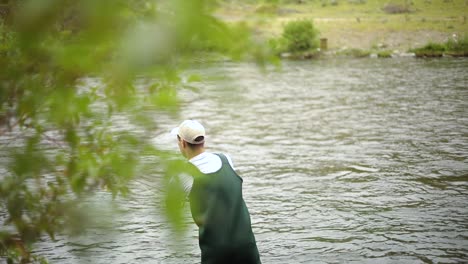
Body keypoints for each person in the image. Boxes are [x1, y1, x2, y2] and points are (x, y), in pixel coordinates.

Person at [171, 120, 261, 264]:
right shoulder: (226, 160)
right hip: (247, 246)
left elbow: (171, 210)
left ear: (182, 143)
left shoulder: (183, 175)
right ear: (203, 141)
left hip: (217, 253)